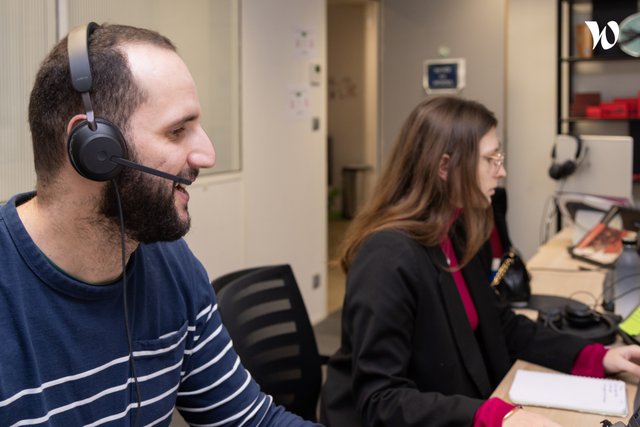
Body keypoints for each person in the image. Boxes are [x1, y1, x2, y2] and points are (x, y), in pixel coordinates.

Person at [0, 23, 318, 426]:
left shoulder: (170, 265)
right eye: (177, 131)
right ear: (94, 149)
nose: (207, 154)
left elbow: (252, 421)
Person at [319, 96, 640, 427]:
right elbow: (380, 400)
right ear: (444, 167)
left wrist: (595, 358)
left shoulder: (455, 230)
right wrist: (491, 418)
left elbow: (499, 324)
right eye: (490, 159)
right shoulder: (387, 257)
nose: (502, 171)